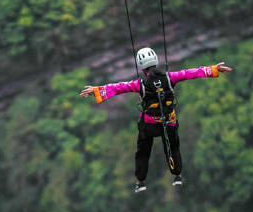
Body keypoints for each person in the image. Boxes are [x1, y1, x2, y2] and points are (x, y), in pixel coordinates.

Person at [80, 47, 233, 193]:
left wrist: (96, 90)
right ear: (155, 61)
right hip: (169, 122)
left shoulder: (139, 84)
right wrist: (213, 69)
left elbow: (119, 87)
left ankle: (140, 181)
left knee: (143, 150)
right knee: (173, 147)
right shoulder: (170, 77)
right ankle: (177, 175)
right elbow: (190, 73)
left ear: (141, 67)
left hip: (149, 125)